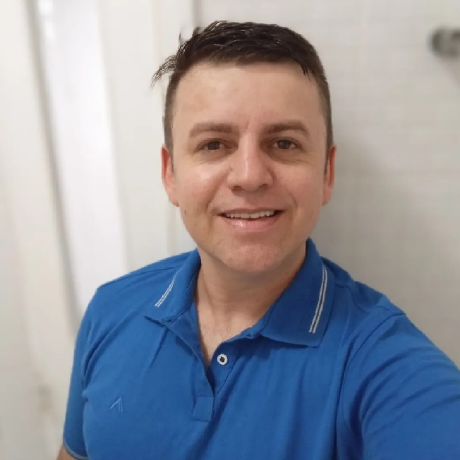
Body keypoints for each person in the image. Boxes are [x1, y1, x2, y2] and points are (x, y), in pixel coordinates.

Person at [57, 21, 460, 460]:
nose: (250, 176)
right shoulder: (110, 310)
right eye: (214, 144)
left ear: (326, 173)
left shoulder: (384, 364)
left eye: (284, 143)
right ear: (170, 174)